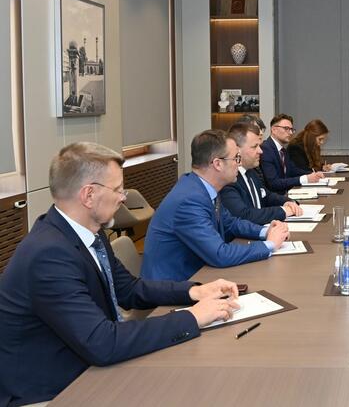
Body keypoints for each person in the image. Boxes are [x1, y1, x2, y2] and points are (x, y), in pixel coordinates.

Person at [0, 142, 241, 406]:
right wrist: (192, 317)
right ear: (89, 195)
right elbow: (102, 342)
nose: (123, 197)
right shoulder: (48, 255)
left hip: (87, 366)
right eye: (117, 189)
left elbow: (129, 289)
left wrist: (193, 291)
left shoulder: (89, 231)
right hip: (51, 391)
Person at [142, 130, 290, 281]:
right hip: (175, 285)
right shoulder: (189, 201)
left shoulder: (203, 187)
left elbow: (230, 223)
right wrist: (270, 244)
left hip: (199, 273)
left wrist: (266, 231)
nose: (239, 164)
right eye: (236, 158)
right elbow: (220, 254)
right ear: (218, 164)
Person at [220, 122, 303, 224]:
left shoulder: (251, 171)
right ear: (237, 150)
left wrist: (288, 202)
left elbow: (266, 196)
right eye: (254, 147)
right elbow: (244, 215)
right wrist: (283, 211)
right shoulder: (229, 179)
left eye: (259, 146)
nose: (261, 151)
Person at [260, 114, 325, 195]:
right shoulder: (266, 149)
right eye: (286, 129)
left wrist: (313, 174)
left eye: (291, 129)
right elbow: (274, 183)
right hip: (275, 198)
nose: (290, 133)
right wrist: (305, 179)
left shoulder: (282, 150)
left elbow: (293, 170)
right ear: (274, 130)